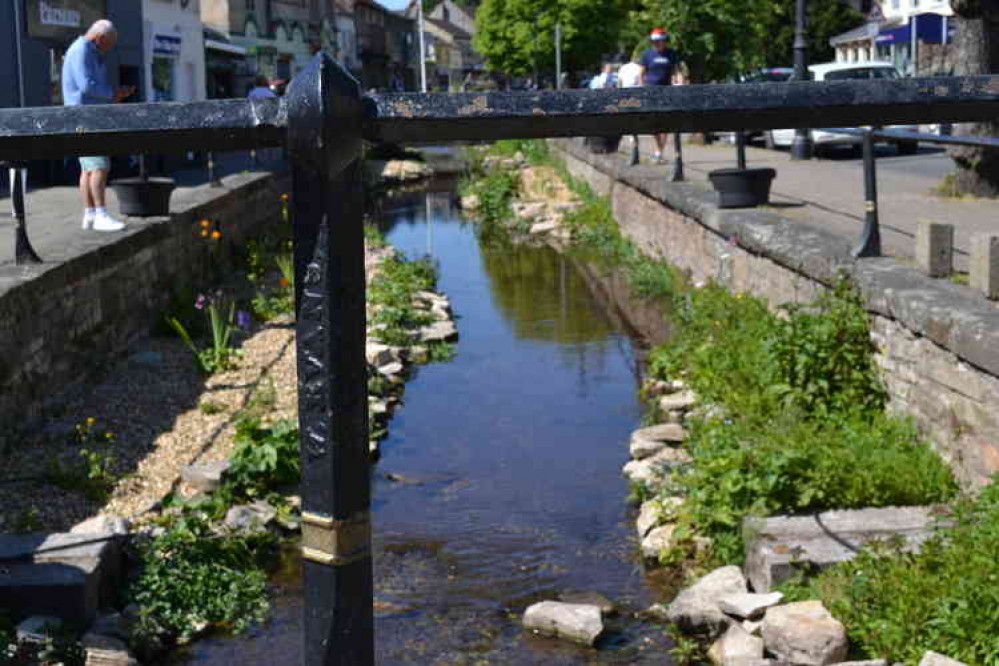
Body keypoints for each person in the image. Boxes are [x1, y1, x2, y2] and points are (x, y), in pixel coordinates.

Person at [62, 19, 134, 232]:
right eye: (108, 44)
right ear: (100, 38)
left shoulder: (83, 50)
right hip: (88, 118)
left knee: (87, 169)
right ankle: (101, 214)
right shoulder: (83, 50)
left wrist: (113, 94)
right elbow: (87, 85)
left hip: (79, 116)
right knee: (100, 166)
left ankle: (90, 215)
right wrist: (114, 93)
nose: (108, 49)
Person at [638, 28, 685, 164]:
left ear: (664, 41)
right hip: (651, 91)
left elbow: (677, 71)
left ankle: (659, 152)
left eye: (660, 41)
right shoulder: (647, 54)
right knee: (653, 124)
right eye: (655, 41)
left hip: (667, 91)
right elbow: (641, 73)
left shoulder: (671, 54)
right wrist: (643, 89)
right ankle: (659, 148)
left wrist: (680, 86)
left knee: (666, 122)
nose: (657, 43)